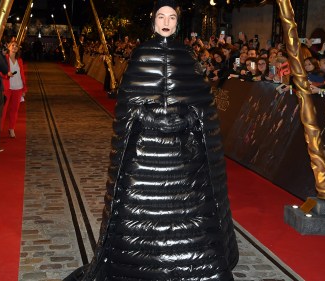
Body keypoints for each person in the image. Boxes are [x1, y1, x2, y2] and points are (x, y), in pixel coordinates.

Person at [64, 0, 238, 280]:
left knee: (187, 210)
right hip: (144, 152)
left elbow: (204, 103)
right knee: (139, 209)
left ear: (177, 22)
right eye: (161, 16)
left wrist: (189, 118)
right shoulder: (142, 54)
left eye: (171, 17)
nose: (166, 21)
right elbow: (128, 101)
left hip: (184, 158)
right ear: (153, 20)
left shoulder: (187, 55)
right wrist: (151, 117)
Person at [1, 40, 27, 138]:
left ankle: (11, 129)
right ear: (8, 46)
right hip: (7, 87)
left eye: (16, 46)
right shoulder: (4, 58)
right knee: (3, 110)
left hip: (18, 87)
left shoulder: (19, 60)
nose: (14, 47)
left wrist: (24, 89)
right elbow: (0, 72)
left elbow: (22, 74)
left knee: (14, 110)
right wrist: (7, 75)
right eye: (13, 45)